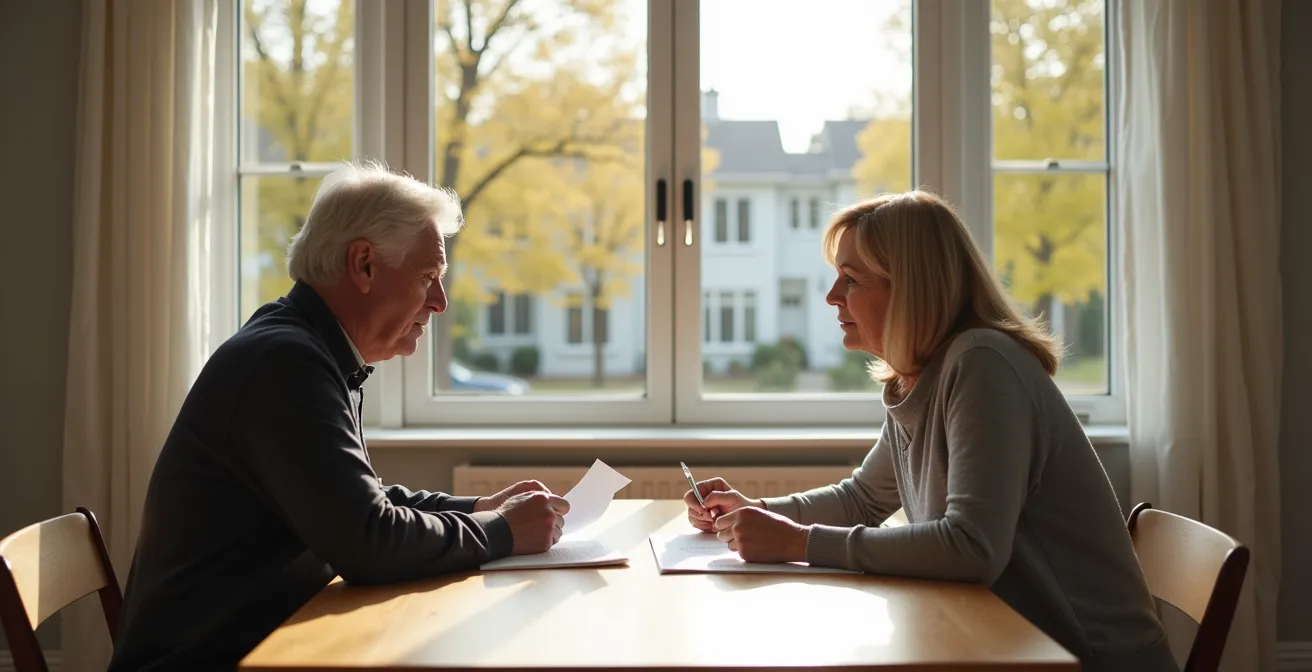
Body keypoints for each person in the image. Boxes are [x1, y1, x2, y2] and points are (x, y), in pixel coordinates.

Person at [684, 191, 1178, 672]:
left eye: (851, 279)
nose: (833, 296)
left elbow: (972, 548)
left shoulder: (983, 365)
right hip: (1005, 645)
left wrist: (798, 542)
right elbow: (862, 499)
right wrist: (757, 512)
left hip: (1081, 659)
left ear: (910, 288)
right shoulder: (923, 374)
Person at [109, 162, 569, 671]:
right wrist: (500, 531)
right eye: (428, 277)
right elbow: (367, 541)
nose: (439, 302)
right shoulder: (284, 364)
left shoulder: (299, 345)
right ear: (364, 264)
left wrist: (478, 506)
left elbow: (354, 503)